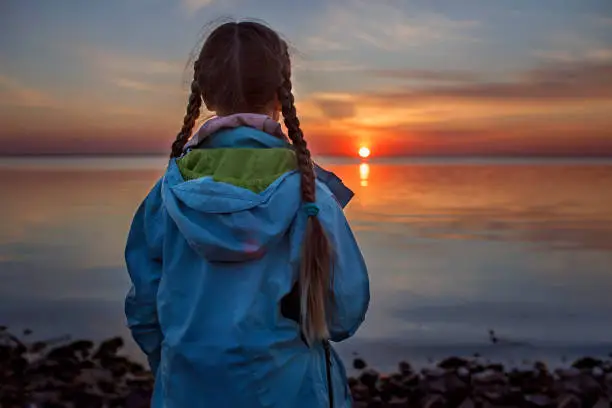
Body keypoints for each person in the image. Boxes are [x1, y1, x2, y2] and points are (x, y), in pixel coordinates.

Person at [124, 20, 370, 408]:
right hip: (292, 393)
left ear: (204, 92)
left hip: (186, 392)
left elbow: (144, 309)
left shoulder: (166, 196)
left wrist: (171, 364)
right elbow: (343, 315)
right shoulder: (309, 196)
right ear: (281, 90)